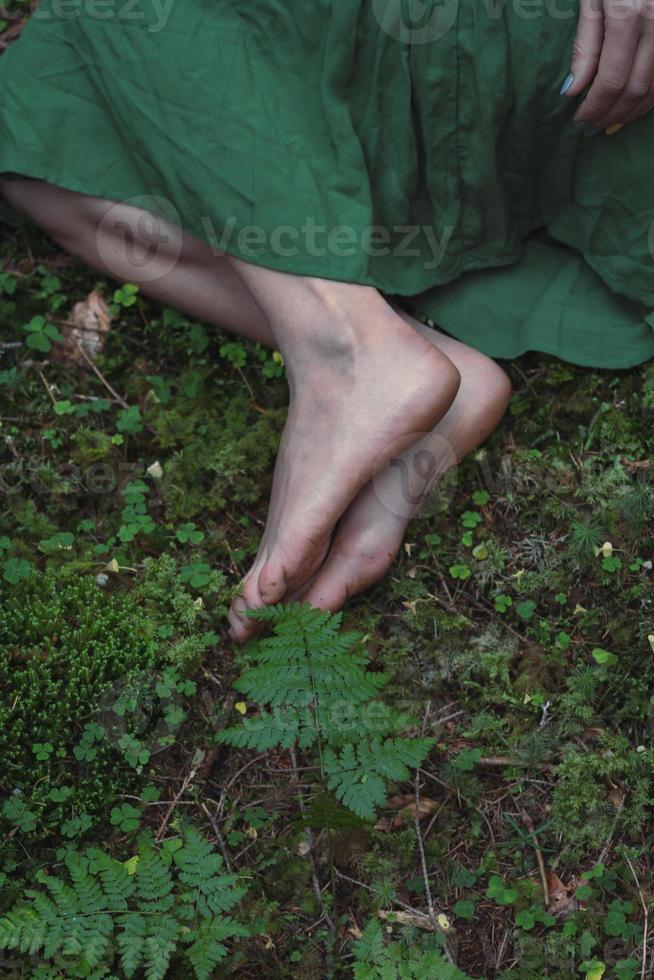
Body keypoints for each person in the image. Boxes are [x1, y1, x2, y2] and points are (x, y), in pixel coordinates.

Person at [1, 0, 653, 643]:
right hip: (575, 89)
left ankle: (345, 345)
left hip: (574, 58)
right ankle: (396, 349)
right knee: (31, 129)